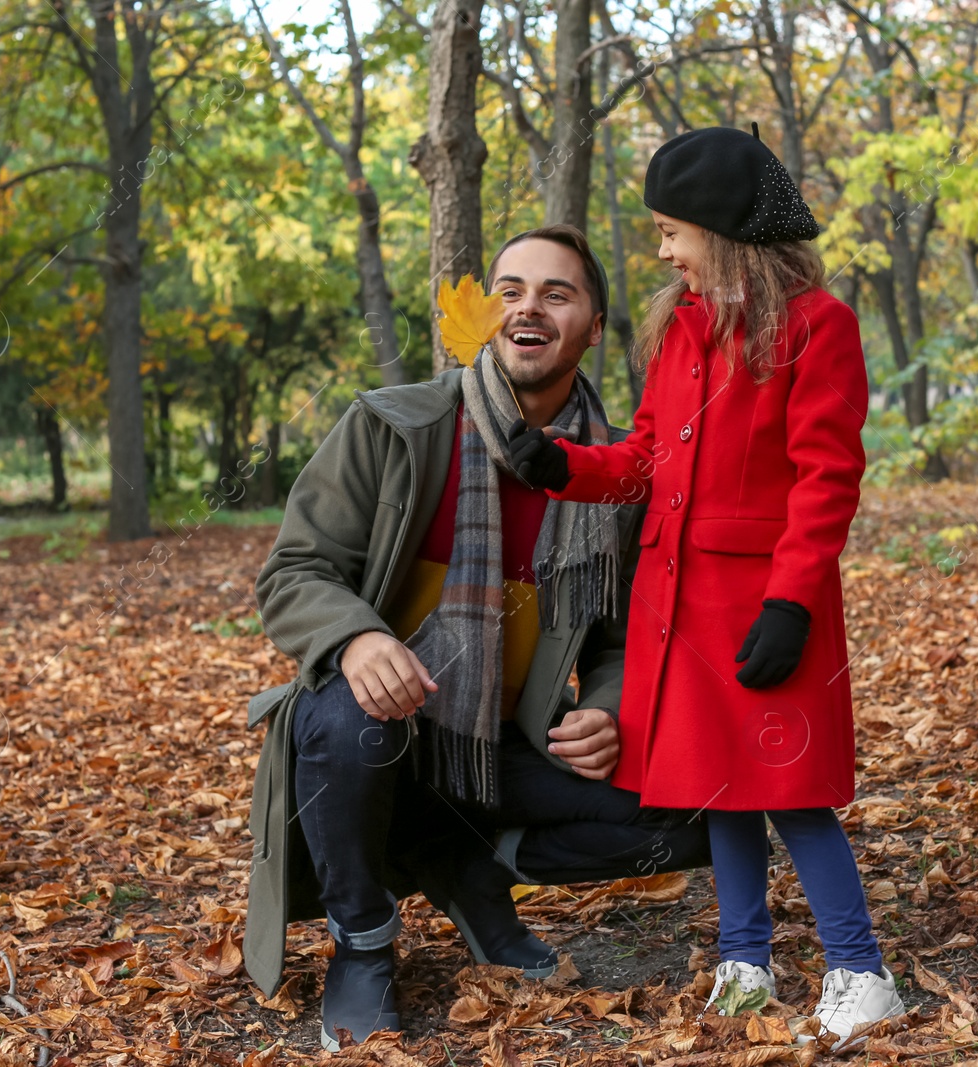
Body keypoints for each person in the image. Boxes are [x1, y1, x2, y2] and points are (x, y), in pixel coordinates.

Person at [244, 224, 712, 1052]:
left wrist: (604, 710)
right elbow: (293, 572)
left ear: (594, 328)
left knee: (697, 813)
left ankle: (471, 865)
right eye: (511, 290)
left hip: (499, 748)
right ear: (487, 316)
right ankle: (362, 943)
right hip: (370, 726)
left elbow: (617, 637)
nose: (529, 307)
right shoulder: (393, 430)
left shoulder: (613, 471)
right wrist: (356, 639)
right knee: (357, 719)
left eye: (557, 293)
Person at [506, 128, 904, 1047]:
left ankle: (858, 968)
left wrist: (793, 601)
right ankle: (745, 960)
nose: (660, 248)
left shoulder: (816, 326)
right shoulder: (682, 328)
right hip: (676, 600)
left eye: (671, 229)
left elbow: (826, 475)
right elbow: (646, 457)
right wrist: (562, 465)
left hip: (765, 603)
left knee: (790, 785)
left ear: (721, 231)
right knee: (720, 787)